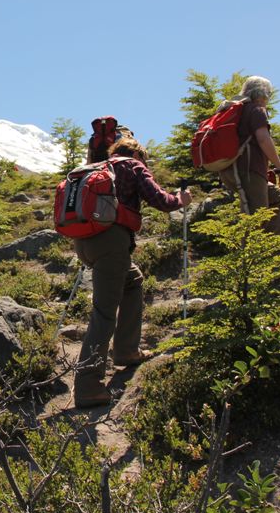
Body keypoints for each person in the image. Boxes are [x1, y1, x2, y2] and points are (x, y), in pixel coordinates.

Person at [74, 137, 192, 409]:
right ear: (138, 153)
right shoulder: (133, 166)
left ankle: (126, 350)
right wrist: (180, 199)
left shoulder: (96, 166)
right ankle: (88, 386)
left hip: (84, 242)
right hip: (111, 242)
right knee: (103, 312)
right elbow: (159, 200)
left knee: (133, 280)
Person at [218, 76, 280, 236]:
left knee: (279, 198)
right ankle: (255, 258)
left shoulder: (238, 110)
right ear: (263, 94)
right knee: (256, 218)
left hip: (229, 171)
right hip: (248, 172)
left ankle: (275, 249)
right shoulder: (256, 110)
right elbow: (264, 139)